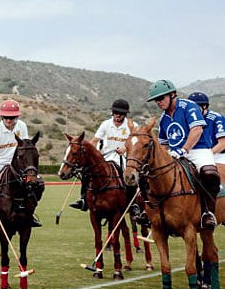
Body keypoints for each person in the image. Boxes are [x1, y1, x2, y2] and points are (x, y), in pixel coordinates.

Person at [148, 80, 218, 229]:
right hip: (174, 153)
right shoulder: (164, 118)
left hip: (198, 150)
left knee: (209, 173)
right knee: (150, 176)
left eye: (161, 98)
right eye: (156, 100)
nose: (158, 102)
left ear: (172, 95)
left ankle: (208, 213)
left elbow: (197, 130)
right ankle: (150, 213)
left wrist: (184, 149)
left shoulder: (189, 106)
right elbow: (164, 144)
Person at [0, 99, 42, 228]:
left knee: (37, 184)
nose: (8, 120)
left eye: (11, 117)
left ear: (17, 117)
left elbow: (25, 147)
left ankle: (30, 214)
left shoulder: (22, 126)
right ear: (1, 116)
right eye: (5, 117)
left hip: (16, 163)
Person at [70, 99, 135, 212]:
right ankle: (84, 199)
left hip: (123, 158)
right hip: (106, 157)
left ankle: (133, 204)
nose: (117, 115)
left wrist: (125, 148)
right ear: (112, 112)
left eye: (121, 113)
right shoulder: (106, 124)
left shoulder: (131, 125)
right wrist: (89, 151)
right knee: (87, 171)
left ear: (125, 114)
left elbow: (135, 141)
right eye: (115, 113)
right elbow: (95, 140)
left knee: (129, 177)